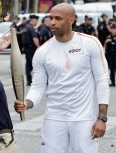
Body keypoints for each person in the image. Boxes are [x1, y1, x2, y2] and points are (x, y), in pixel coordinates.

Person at [14, 3, 109, 153]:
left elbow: (102, 80)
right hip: (54, 119)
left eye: (58, 18)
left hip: (84, 119)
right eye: (51, 18)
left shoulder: (90, 43)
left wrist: (102, 118)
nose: (52, 22)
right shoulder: (42, 52)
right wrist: (26, 103)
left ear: (72, 19)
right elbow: (38, 87)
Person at [22, 14, 40, 86]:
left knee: (28, 65)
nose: (37, 22)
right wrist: (39, 47)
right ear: (34, 20)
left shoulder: (26, 27)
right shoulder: (31, 28)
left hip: (26, 48)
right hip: (31, 48)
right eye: (36, 21)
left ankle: (29, 80)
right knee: (32, 64)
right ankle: (30, 80)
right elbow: (35, 38)